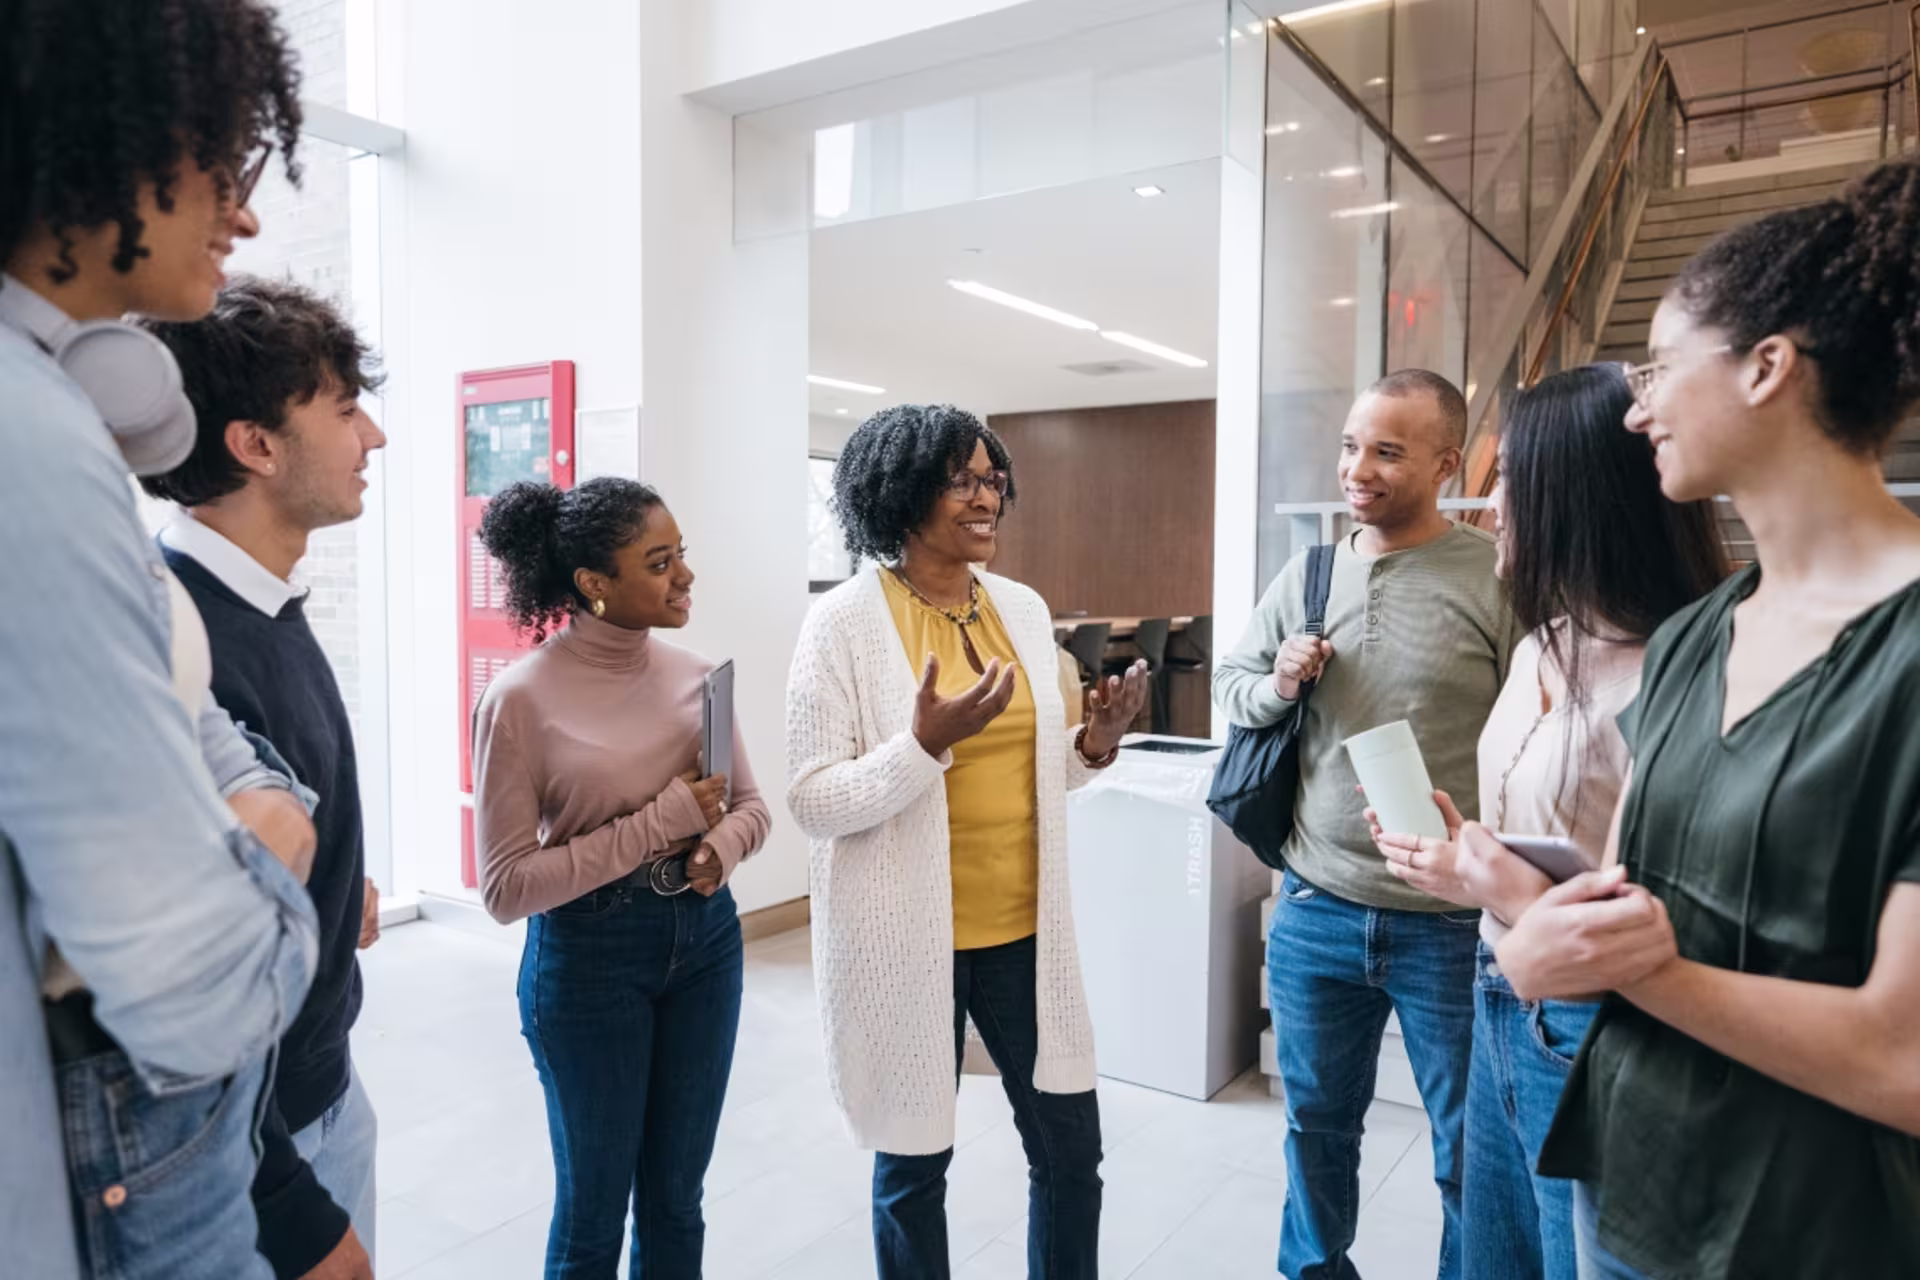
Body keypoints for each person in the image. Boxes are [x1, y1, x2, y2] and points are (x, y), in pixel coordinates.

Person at [1477, 157, 1920, 1279]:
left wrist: (1620, 966)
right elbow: (1625, 903)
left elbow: (1903, 1054)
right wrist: (1523, 914)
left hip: (1813, 1226)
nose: (1638, 409)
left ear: (1769, 365)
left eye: (1661, 368)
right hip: (1629, 1180)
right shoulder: (1691, 640)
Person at [0, 2, 321, 1277]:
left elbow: (171, 706)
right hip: (129, 1126)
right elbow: (203, 988)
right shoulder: (30, 441)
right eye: (227, 160)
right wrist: (281, 856)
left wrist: (247, 802)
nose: (242, 214)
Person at [1364, 363, 1725, 1280]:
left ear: (1574, 494)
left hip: (1599, 1024)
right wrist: (1463, 864)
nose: (1491, 504)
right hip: (1500, 991)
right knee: (1496, 1255)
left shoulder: (1689, 678)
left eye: (1509, 481)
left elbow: (1683, 925)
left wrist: (1517, 892)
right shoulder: (1540, 642)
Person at [786, 404, 1150, 1280]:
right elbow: (810, 799)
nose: (987, 497)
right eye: (961, 480)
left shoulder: (1021, 610)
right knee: (913, 1169)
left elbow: (1042, 768)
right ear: (900, 493)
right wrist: (921, 747)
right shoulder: (842, 624)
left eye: (993, 478)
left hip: (1025, 934)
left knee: (1070, 1154)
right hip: (905, 943)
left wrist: (1095, 742)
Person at [1213, 369, 1520, 1280]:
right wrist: (1277, 685)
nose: (1361, 468)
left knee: (1471, 1153)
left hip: (1454, 925)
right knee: (1314, 1133)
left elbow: (1537, 730)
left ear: (1445, 462)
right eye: (1352, 446)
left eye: (1388, 450)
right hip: (1317, 907)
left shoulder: (1494, 578)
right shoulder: (1308, 571)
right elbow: (1235, 687)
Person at [141, 276, 388, 1280]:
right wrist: (284, 1201)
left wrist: (337, 884)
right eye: (343, 409)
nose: (372, 435)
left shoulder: (262, 601)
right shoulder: (171, 636)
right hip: (254, 1150)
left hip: (326, 1083)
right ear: (256, 443)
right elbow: (178, 1000)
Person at [472, 476, 769, 1279]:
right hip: (588, 960)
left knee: (677, 1200)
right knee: (595, 1213)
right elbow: (504, 890)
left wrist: (722, 849)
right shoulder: (520, 699)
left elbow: (750, 807)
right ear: (594, 586)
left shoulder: (701, 674)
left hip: (704, 945)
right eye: (660, 562)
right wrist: (662, 824)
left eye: (683, 556)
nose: (686, 577)